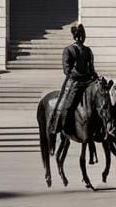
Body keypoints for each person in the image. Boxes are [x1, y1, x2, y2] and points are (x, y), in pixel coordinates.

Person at [49, 23, 97, 151]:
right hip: (74, 82)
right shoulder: (68, 50)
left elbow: (91, 69)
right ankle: (56, 126)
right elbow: (67, 70)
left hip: (88, 81)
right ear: (77, 36)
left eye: (83, 35)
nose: (83, 37)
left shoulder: (88, 50)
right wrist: (81, 76)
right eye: (81, 35)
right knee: (66, 105)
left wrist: (96, 79)